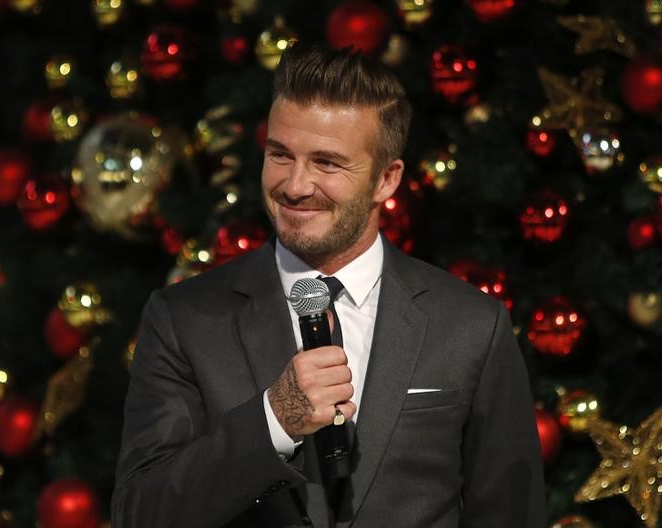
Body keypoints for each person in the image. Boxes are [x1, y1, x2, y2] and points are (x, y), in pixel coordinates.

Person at [112, 42, 546, 527]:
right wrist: (274, 420)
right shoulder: (183, 319)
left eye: (327, 163)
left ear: (386, 179)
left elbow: (511, 514)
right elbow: (141, 513)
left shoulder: (470, 324)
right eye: (280, 155)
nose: (295, 186)